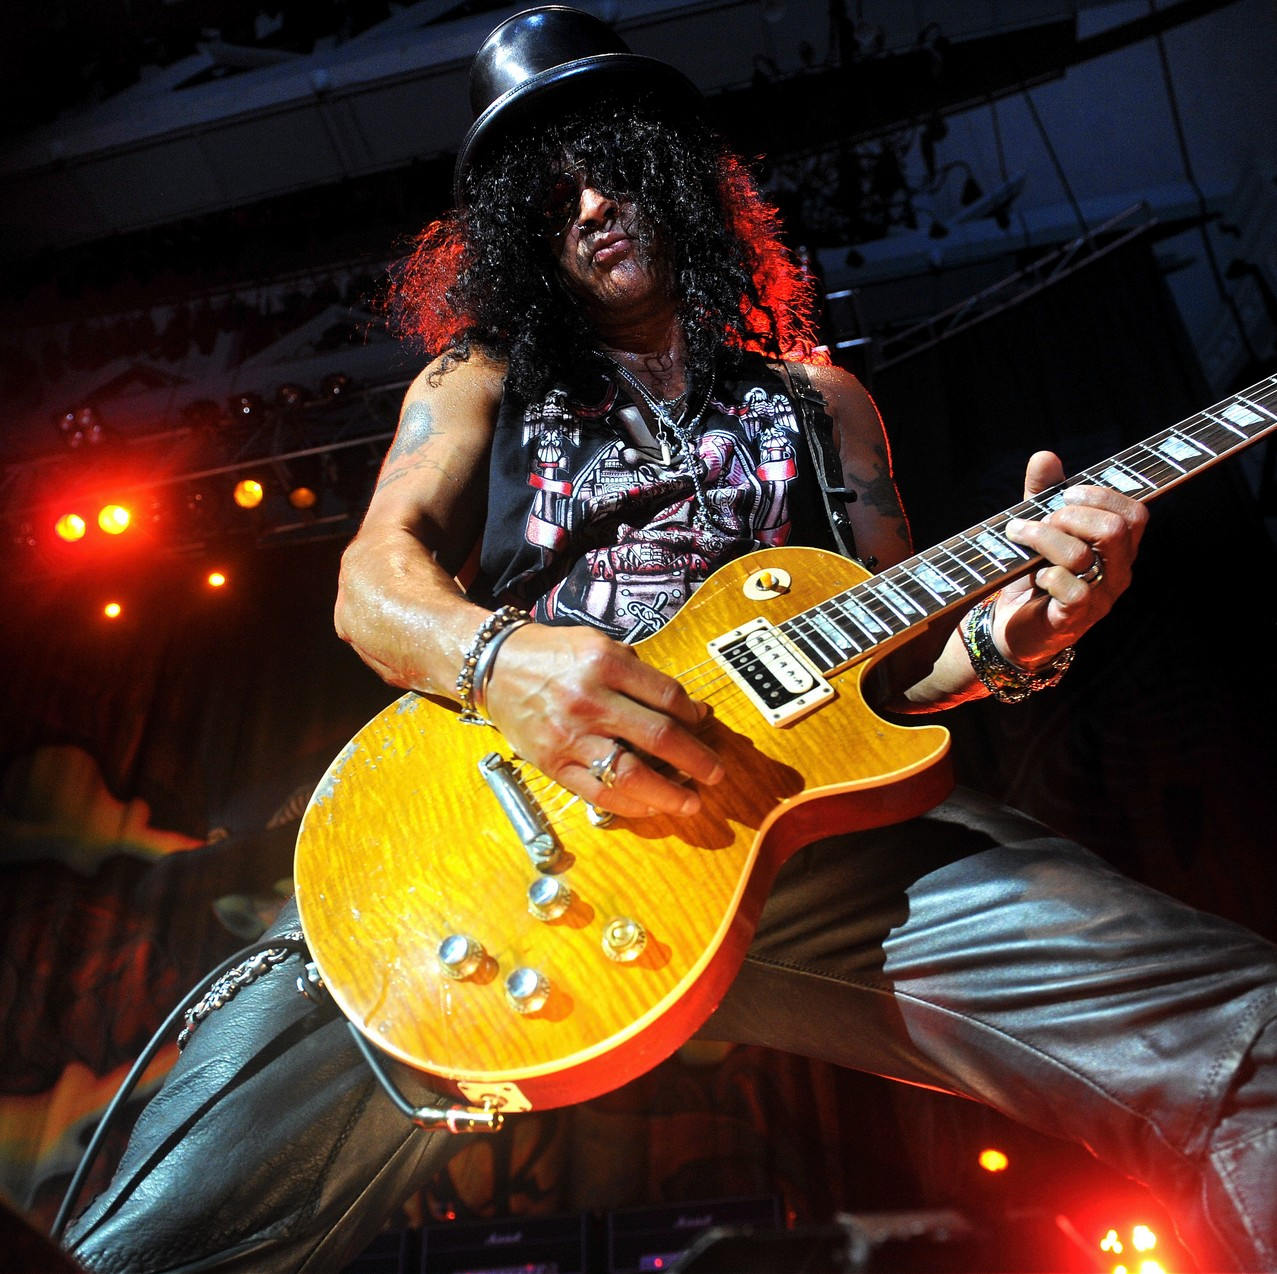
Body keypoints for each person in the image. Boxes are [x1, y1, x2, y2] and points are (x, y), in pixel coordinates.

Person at [65, 8, 1277, 1272]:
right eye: (553, 195)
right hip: (510, 833)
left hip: (802, 835)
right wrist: (498, 661)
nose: (591, 205)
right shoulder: (476, 380)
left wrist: (1021, 630)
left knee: (1238, 1032)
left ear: (678, 183)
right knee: (154, 1237)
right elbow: (372, 584)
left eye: (615, 169)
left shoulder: (819, 400)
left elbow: (897, 662)